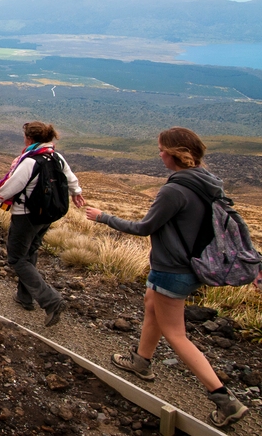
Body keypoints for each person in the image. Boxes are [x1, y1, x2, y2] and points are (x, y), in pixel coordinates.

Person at [85, 127, 248, 427]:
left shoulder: (174, 190)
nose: (159, 154)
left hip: (172, 270)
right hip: (189, 266)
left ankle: (224, 399)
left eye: (162, 149)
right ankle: (141, 361)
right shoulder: (206, 182)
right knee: (151, 305)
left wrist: (103, 217)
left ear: (176, 154)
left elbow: (144, 227)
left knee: (176, 334)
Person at [0, 121, 84, 327]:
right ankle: (24, 297)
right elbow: (71, 179)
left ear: (29, 138)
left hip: (26, 215)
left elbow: (9, 188)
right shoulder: (56, 156)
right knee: (30, 252)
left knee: (17, 258)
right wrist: (77, 193)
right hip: (47, 215)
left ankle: (51, 300)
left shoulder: (30, 161)